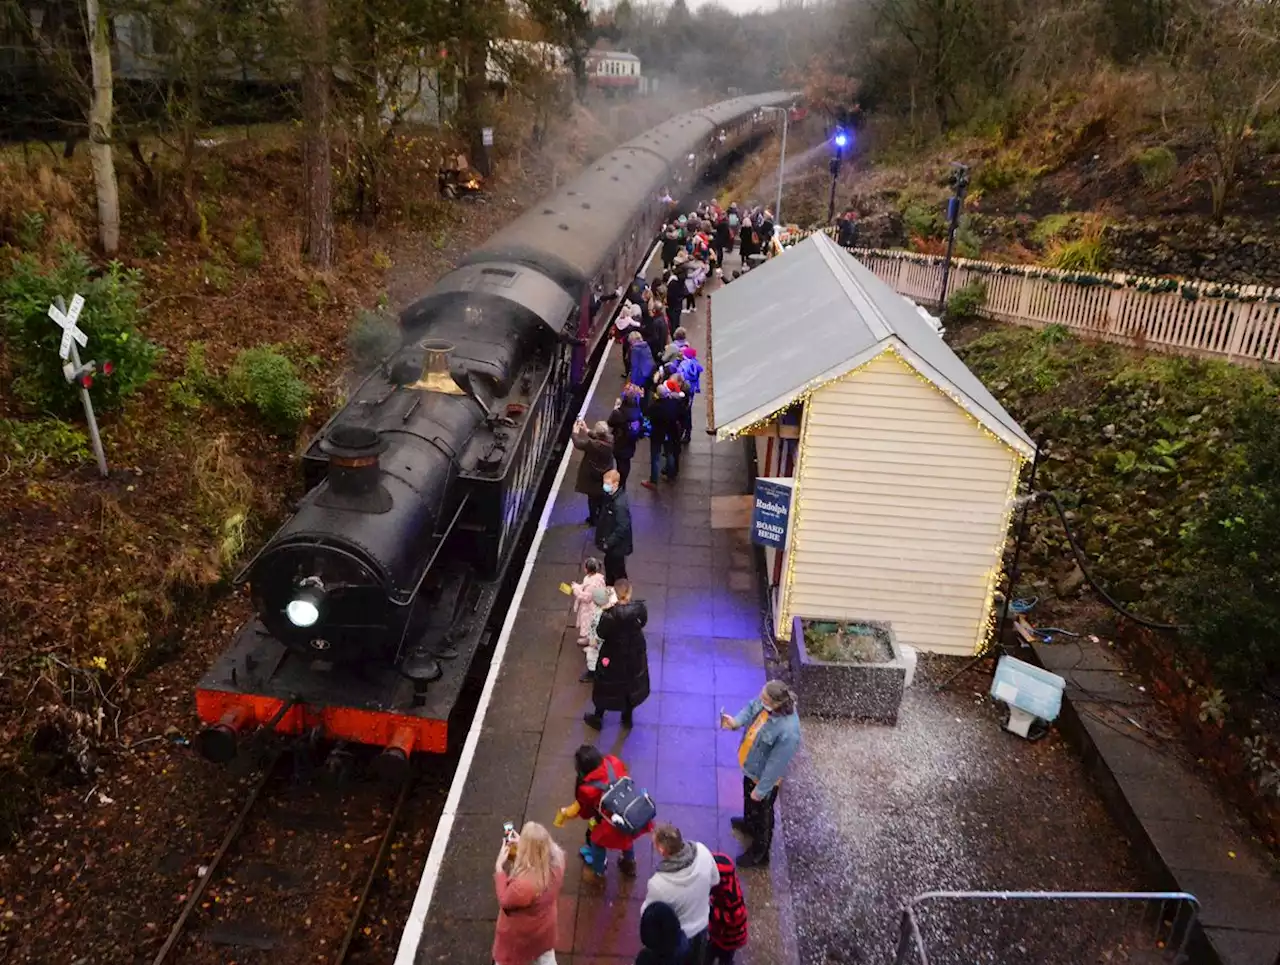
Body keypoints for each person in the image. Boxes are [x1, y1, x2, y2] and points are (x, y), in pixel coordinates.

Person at [720, 681, 802, 868]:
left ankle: (759, 854)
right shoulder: (765, 703)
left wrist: (762, 789)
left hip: (764, 779)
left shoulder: (788, 731)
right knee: (749, 802)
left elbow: (776, 765)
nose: (760, 698)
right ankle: (749, 824)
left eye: (764, 697)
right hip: (751, 768)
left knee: (763, 815)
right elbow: (751, 708)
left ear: (776, 702)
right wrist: (736, 722)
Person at [555, 745, 652, 879]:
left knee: (597, 841)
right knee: (627, 837)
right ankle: (629, 862)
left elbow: (585, 812)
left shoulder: (587, 789)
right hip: (630, 811)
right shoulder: (613, 761)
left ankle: (599, 869)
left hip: (611, 822)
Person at [642, 824, 719, 963]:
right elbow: (715, 880)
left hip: (679, 937)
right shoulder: (703, 852)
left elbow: (648, 913)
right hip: (702, 924)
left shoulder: (658, 883)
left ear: (661, 850)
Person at [492, 821, 565, 965]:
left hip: (523, 934)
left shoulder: (523, 886)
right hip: (545, 926)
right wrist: (526, 845)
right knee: (545, 957)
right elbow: (540, 857)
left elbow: (505, 900)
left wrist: (499, 869)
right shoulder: (558, 863)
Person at [585, 578, 649, 729]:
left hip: (612, 655)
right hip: (634, 653)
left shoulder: (608, 615)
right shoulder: (639, 609)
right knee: (631, 685)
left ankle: (598, 717)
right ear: (629, 592)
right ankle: (627, 718)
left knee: (605, 686)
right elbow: (643, 622)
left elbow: (600, 633)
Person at [642, 377, 685, 489]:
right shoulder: (673, 404)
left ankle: (653, 481)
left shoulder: (655, 407)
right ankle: (670, 474)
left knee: (655, 457)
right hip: (670, 433)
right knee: (669, 453)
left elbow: (646, 415)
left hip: (657, 435)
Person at [571, 419, 615, 526]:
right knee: (602, 497)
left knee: (592, 499)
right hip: (606, 473)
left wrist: (575, 432)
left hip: (593, 475)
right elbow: (600, 437)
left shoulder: (592, 445)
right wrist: (586, 430)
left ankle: (593, 519)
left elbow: (578, 443)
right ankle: (601, 515)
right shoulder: (611, 440)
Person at [707, 852, 748, 964]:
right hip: (720, 934)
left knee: (724, 959)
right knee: (710, 952)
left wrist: (710, 912)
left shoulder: (732, 900)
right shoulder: (728, 884)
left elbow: (729, 917)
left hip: (729, 938)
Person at [594, 468, 632, 585]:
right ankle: (612, 587)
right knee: (610, 566)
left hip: (616, 547)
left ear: (616, 484)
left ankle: (621, 592)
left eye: (608, 484)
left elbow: (622, 527)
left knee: (618, 571)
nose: (605, 486)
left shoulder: (619, 504)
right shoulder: (612, 497)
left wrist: (608, 542)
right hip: (613, 546)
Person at [607, 383, 646, 490]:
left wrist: (615, 408)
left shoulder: (619, 413)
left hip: (619, 441)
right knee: (625, 462)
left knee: (617, 461)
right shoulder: (637, 411)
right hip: (630, 442)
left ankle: (617, 483)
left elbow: (610, 422)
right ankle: (622, 482)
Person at [570, 558, 606, 671]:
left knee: (590, 625)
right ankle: (587, 639)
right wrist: (578, 586)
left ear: (587, 569)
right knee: (588, 625)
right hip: (589, 608)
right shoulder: (594, 578)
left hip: (590, 609)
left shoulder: (593, 584)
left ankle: (591, 646)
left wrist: (575, 589)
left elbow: (586, 597)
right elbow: (584, 587)